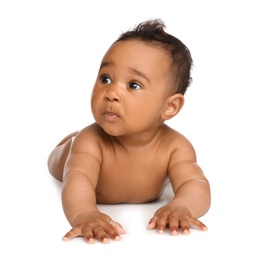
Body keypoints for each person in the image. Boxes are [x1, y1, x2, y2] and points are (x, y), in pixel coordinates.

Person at [47, 18, 211, 244]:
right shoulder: (90, 141)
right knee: (68, 154)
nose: (111, 92)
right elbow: (77, 180)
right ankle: (68, 141)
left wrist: (181, 206)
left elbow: (195, 184)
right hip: (68, 155)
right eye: (105, 78)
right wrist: (84, 214)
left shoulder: (175, 147)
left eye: (133, 85)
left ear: (169, 106)